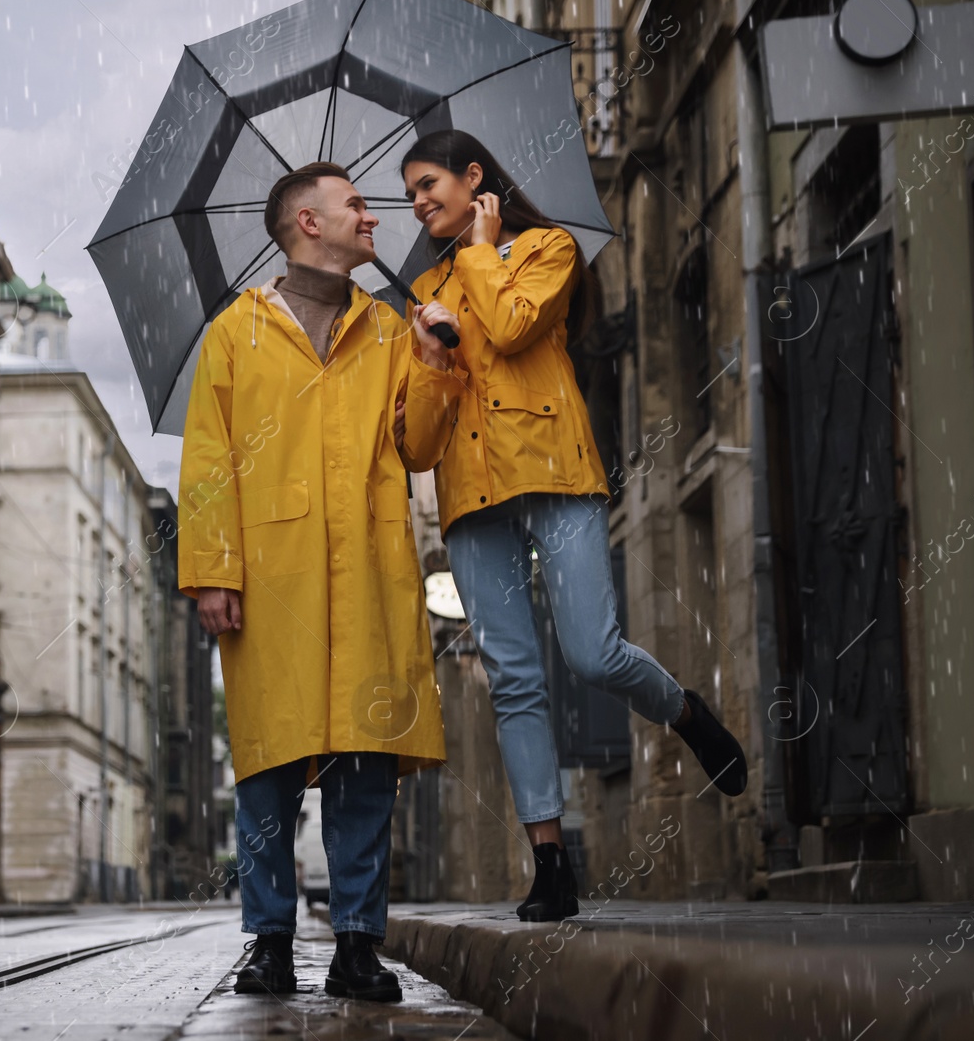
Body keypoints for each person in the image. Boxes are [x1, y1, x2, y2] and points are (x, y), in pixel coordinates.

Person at [398, 129, 748, 922]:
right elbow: (416, 442)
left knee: (593, 650)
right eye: (412, 192)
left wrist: (482, 252)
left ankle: (685, 711)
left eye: (429, 184)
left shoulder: (546, 248)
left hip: (554, 468)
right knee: (515, 681)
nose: (419, 202)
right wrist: (426, 356)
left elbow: (519, 326)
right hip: (470, 495)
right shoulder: (423, 288)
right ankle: (550, 861)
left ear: (474, 178)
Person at [178, 161, 460, 1002]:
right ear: (308, 222)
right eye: (357, 206)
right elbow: (207, 460)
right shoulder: (236, 330)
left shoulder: (389, 327)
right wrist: (212, 573)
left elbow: (418, 446)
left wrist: (438, 358)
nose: (375, 218)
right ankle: (267, 940)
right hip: (273, 581)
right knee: (268, 766)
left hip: (369, 574)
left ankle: (357, 944)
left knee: (365, 766)